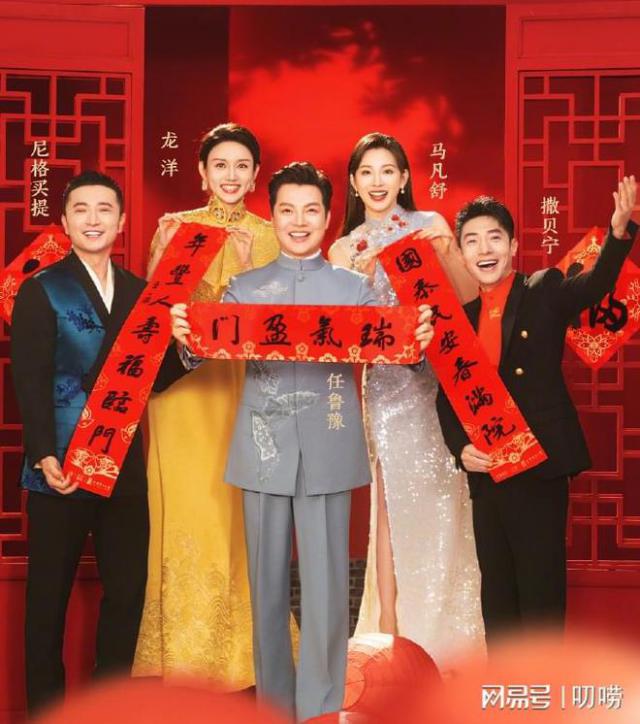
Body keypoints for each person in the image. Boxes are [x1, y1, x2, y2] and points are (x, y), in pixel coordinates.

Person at [171, 161, 435, 721]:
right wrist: (187, 339)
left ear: (328, 216)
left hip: (330, 450)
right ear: (273, 215)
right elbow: (201, 352)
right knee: (266, 592)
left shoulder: (354, 289)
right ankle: (273, 709)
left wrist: (417, 341)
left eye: (310, 210)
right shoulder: (244, 288)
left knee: (326, 594)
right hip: (262, 452)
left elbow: (398, 352)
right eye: (287, 210)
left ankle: (320, 710)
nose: (298, 221)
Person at [436, 176, 638, 647]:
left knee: (541, 593)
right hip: (488, 474)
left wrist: (618, 232)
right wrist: (461, 449)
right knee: (498, 597)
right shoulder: (461, 321)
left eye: (494, 238)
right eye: (472, 241)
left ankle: (543, 688)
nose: (484, 249)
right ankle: (505, 688)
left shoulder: (542, 288)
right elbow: (446, 397)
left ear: (512, 246)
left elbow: (594, 286)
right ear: (461, 255)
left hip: (539, 467)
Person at [10, 170, 182, 714]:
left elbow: (153, 376)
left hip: (120, 464)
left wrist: (190, 350)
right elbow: (28, 378)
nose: (92, 219)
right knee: (48, 601)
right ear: (64, 222)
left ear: (121, 221)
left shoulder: (140, 293)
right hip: (58, 464)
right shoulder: (42, 289)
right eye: (80, 209)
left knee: (127, 594)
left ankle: (108, 710)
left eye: (104, 209)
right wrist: (43, 452)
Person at [133, 123, 283, 687]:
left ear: (256, 174)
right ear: (201, 172)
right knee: (185, 510)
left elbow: (275, 325)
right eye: (220, 164)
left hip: (243, 391)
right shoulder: (177, 227)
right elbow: (152, 318)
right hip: (183, 398)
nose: (231, 175)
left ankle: (239, 653)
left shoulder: (270, 236)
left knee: (233, 511)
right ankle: (178, 650)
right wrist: (162, 260)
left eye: (242, 165)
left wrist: (246, 271)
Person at [329, 132, 485, 669]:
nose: (378, 182)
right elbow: (341, 332)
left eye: (388, 171)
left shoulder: (431, 225)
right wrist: (361, 280)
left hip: (440, 386)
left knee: (448, 502)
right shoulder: (345, 249)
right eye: (366, 172)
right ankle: (395, 639)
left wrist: (446, 253)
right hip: (387, 391)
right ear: (354, 183)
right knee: (392, 508)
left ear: (404, 178)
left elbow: (471, 301)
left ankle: (452, 640)